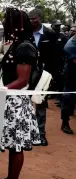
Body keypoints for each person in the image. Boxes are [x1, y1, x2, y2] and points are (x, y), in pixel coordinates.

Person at [0, 8, 41, 179]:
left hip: (17, 103)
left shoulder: (25, 46)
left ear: (15, 25)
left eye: (6, 20)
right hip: (10, 99)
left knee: (16, 145)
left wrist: (1, 89)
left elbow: (22, 80)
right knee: (12, 144)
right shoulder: (18, 44)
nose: (3, 23)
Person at [28, 8, 57, 146]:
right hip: (26, 73)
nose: (32, 21)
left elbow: (54, 57)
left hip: (43, 74)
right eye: (30, 19)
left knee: (40, 103)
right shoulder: (25, 33)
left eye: (34, 19)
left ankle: (40, 135)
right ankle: (27, 132)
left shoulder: (50, 34)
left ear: (40, 18)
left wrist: (50, 77)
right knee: (25, 103)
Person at [60, 35, 76, 134]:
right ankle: (65, 123)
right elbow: (68, 49)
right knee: (69, 97)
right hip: (72, 74)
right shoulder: (72, 41)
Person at [52, 20, 69, 106]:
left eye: (59, 26)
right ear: (52, 26)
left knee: (61, 81)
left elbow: (67, 48)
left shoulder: (63, 36)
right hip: (53, 62)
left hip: (62, 62)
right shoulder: (50, 36)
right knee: (56, 81)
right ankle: (59, 98)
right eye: (56, 26)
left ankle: (62, 100)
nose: (57, 27)